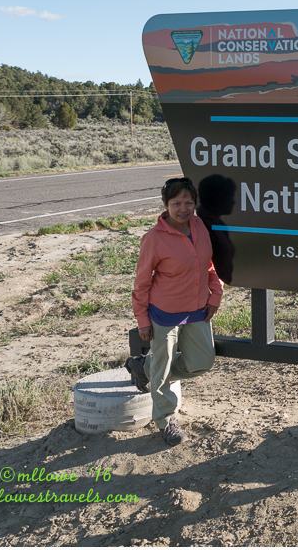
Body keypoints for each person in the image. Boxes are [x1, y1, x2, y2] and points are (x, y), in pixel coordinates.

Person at [126, 177, 223, 446]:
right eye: (176, 203)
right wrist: (142, 320)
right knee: (163, 364)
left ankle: (146, 368)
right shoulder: (154, 239)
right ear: (166, 205)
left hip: (197, 309)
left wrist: (215, 294)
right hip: (164, 313)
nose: (183, 208)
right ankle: (166, 419)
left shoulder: (200, 226)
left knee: (202, 362)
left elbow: (208, 265)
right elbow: (142, 282)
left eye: (188, 202)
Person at [195, 173, 237, 285]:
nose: (233, 201)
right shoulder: (200, 226)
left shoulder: (218, 224)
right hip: (205, 291)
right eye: (229, 196)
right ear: (218, 198)